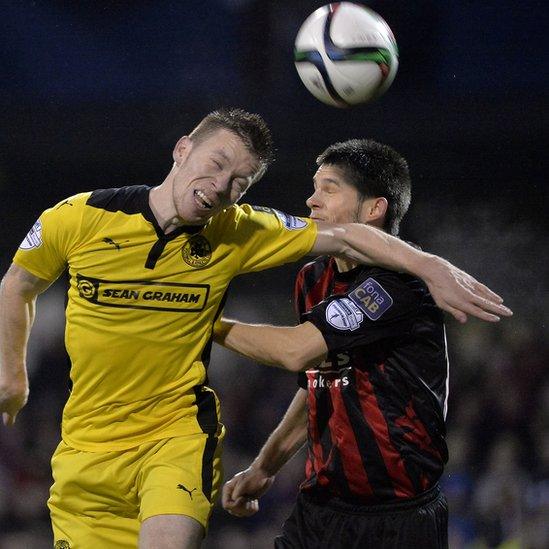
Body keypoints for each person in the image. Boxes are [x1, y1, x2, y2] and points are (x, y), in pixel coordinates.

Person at [0, 111, 510, 549]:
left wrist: (430, 268)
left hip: (196, 444)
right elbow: (17, 286)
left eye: (239, 183)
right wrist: (13, 374)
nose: (222, 186)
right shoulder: (78, 218)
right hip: (100, 452)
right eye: (216, 164)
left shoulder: (250, 235)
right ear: (182, 149)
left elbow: (303, 338)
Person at [218, 139, 499, 548]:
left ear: (374, 209)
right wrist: (265, 466)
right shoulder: (313, 278)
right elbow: (317, 379)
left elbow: (295, 350)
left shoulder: (399, 286)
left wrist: (204, 320)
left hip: (396, 518)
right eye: (314, 187)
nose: (311, 200)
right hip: (321, 506)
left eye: (329, 189)